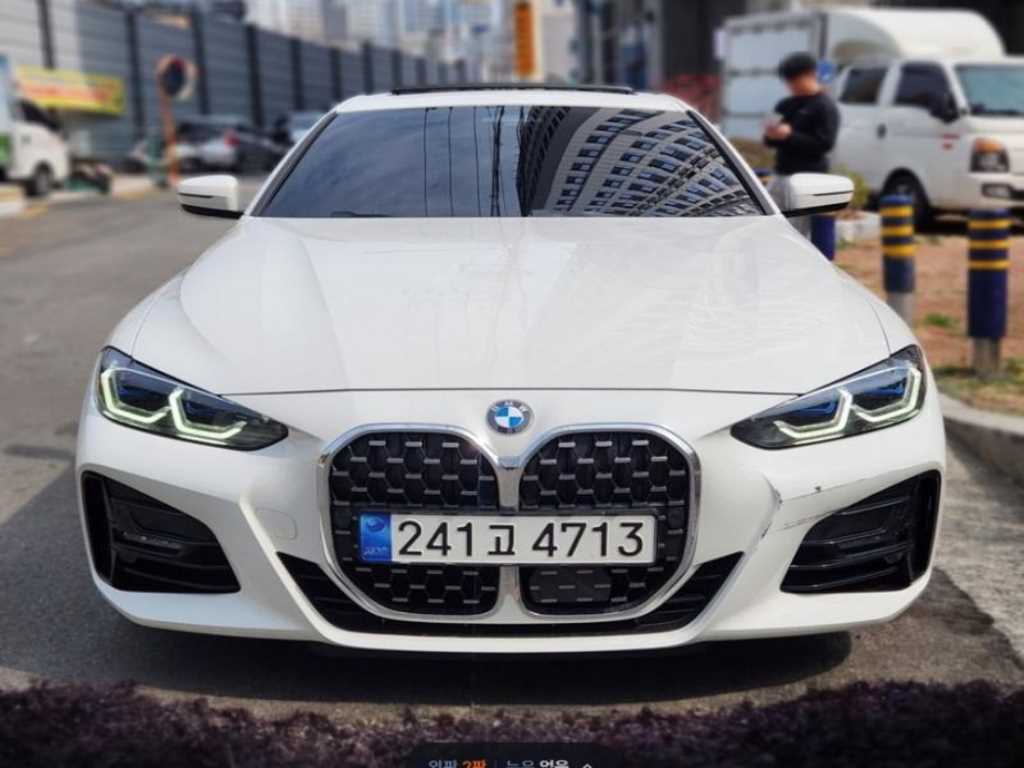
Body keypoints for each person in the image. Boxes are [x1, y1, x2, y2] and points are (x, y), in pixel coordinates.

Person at [763, 52, 840, 237]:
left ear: (811, 74)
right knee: (768, 224)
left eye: (795, 80)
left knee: (796, 232)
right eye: (788, 82)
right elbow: (768, 141)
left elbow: (825, 144)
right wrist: (771, 135)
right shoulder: (784, 105)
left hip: (808, 178)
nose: (791, 86)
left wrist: (790, 135)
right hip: (781, 174)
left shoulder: (824, 106)